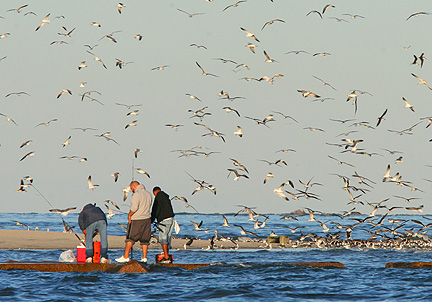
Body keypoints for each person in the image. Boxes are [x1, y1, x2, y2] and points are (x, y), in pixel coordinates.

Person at [116, 181, 153, 263]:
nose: (131, 190)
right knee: (145, 240)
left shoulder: (137, 195)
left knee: (130, 238)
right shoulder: (149, 194)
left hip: (137, 219)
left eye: (131, 188)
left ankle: (125, 256)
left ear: (134, 186)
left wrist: (129, 215)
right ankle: (144, 258)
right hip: (147, 219)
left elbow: (134, 208)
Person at [151, 186, 175, 263]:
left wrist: (152, 219)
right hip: (171, 219)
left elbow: (155, 209)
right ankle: (166, 254)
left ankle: (166, 257)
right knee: (168, 238)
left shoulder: (158, 197)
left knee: (163, 238)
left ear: (155, 192)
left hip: (164, 220)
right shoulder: (166, 197)